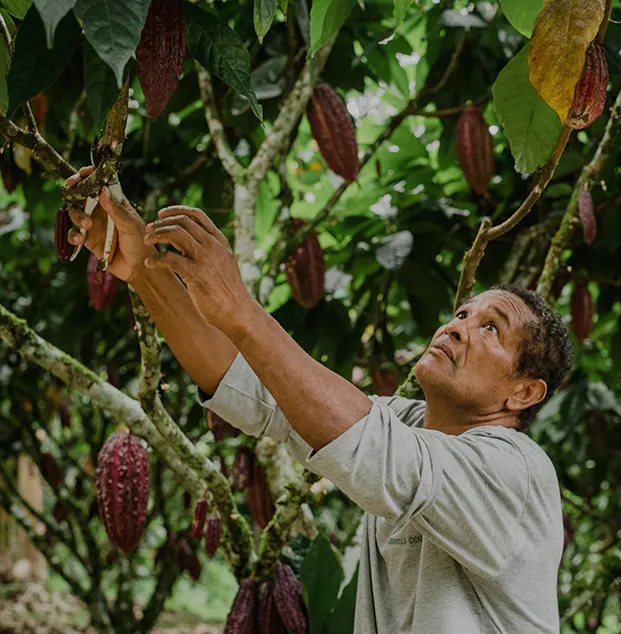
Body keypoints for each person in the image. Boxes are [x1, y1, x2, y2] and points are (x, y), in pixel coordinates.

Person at [63, 167, 574, 633]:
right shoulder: (407, 424)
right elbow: (258, 390)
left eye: (491, 328)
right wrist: (145, 269)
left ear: (523, 392)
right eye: (462, 314)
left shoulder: (516, 470)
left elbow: (372, 447)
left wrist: (241, 307)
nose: (457, 328)